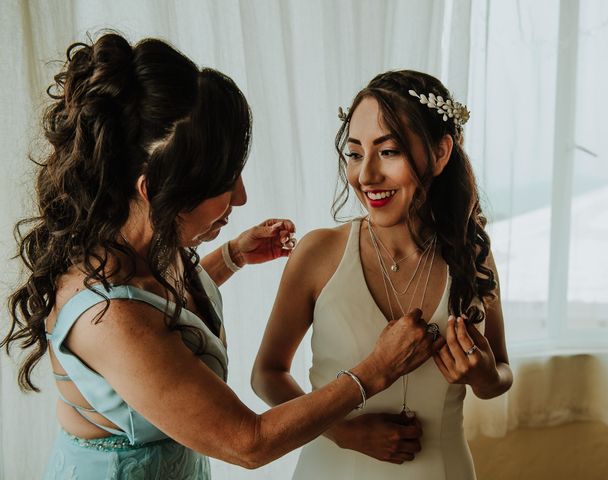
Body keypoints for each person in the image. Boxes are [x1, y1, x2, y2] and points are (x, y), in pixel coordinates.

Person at [1, 36, 442, 479]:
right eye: (225, 181)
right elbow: (248, 442)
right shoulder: (108, 316)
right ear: (155, 191)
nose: (242, 196)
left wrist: (230, 257)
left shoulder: (142, 248)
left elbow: (161, 311)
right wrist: (375, 371)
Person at [252, 70, 513, 479]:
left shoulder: (472, 255)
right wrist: (344, 433)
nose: (366, 175)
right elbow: (266, 374)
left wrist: (482, 375)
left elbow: (501, 374)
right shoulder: (319, 253)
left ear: (441, 152)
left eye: (388, 151)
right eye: (355, 153)